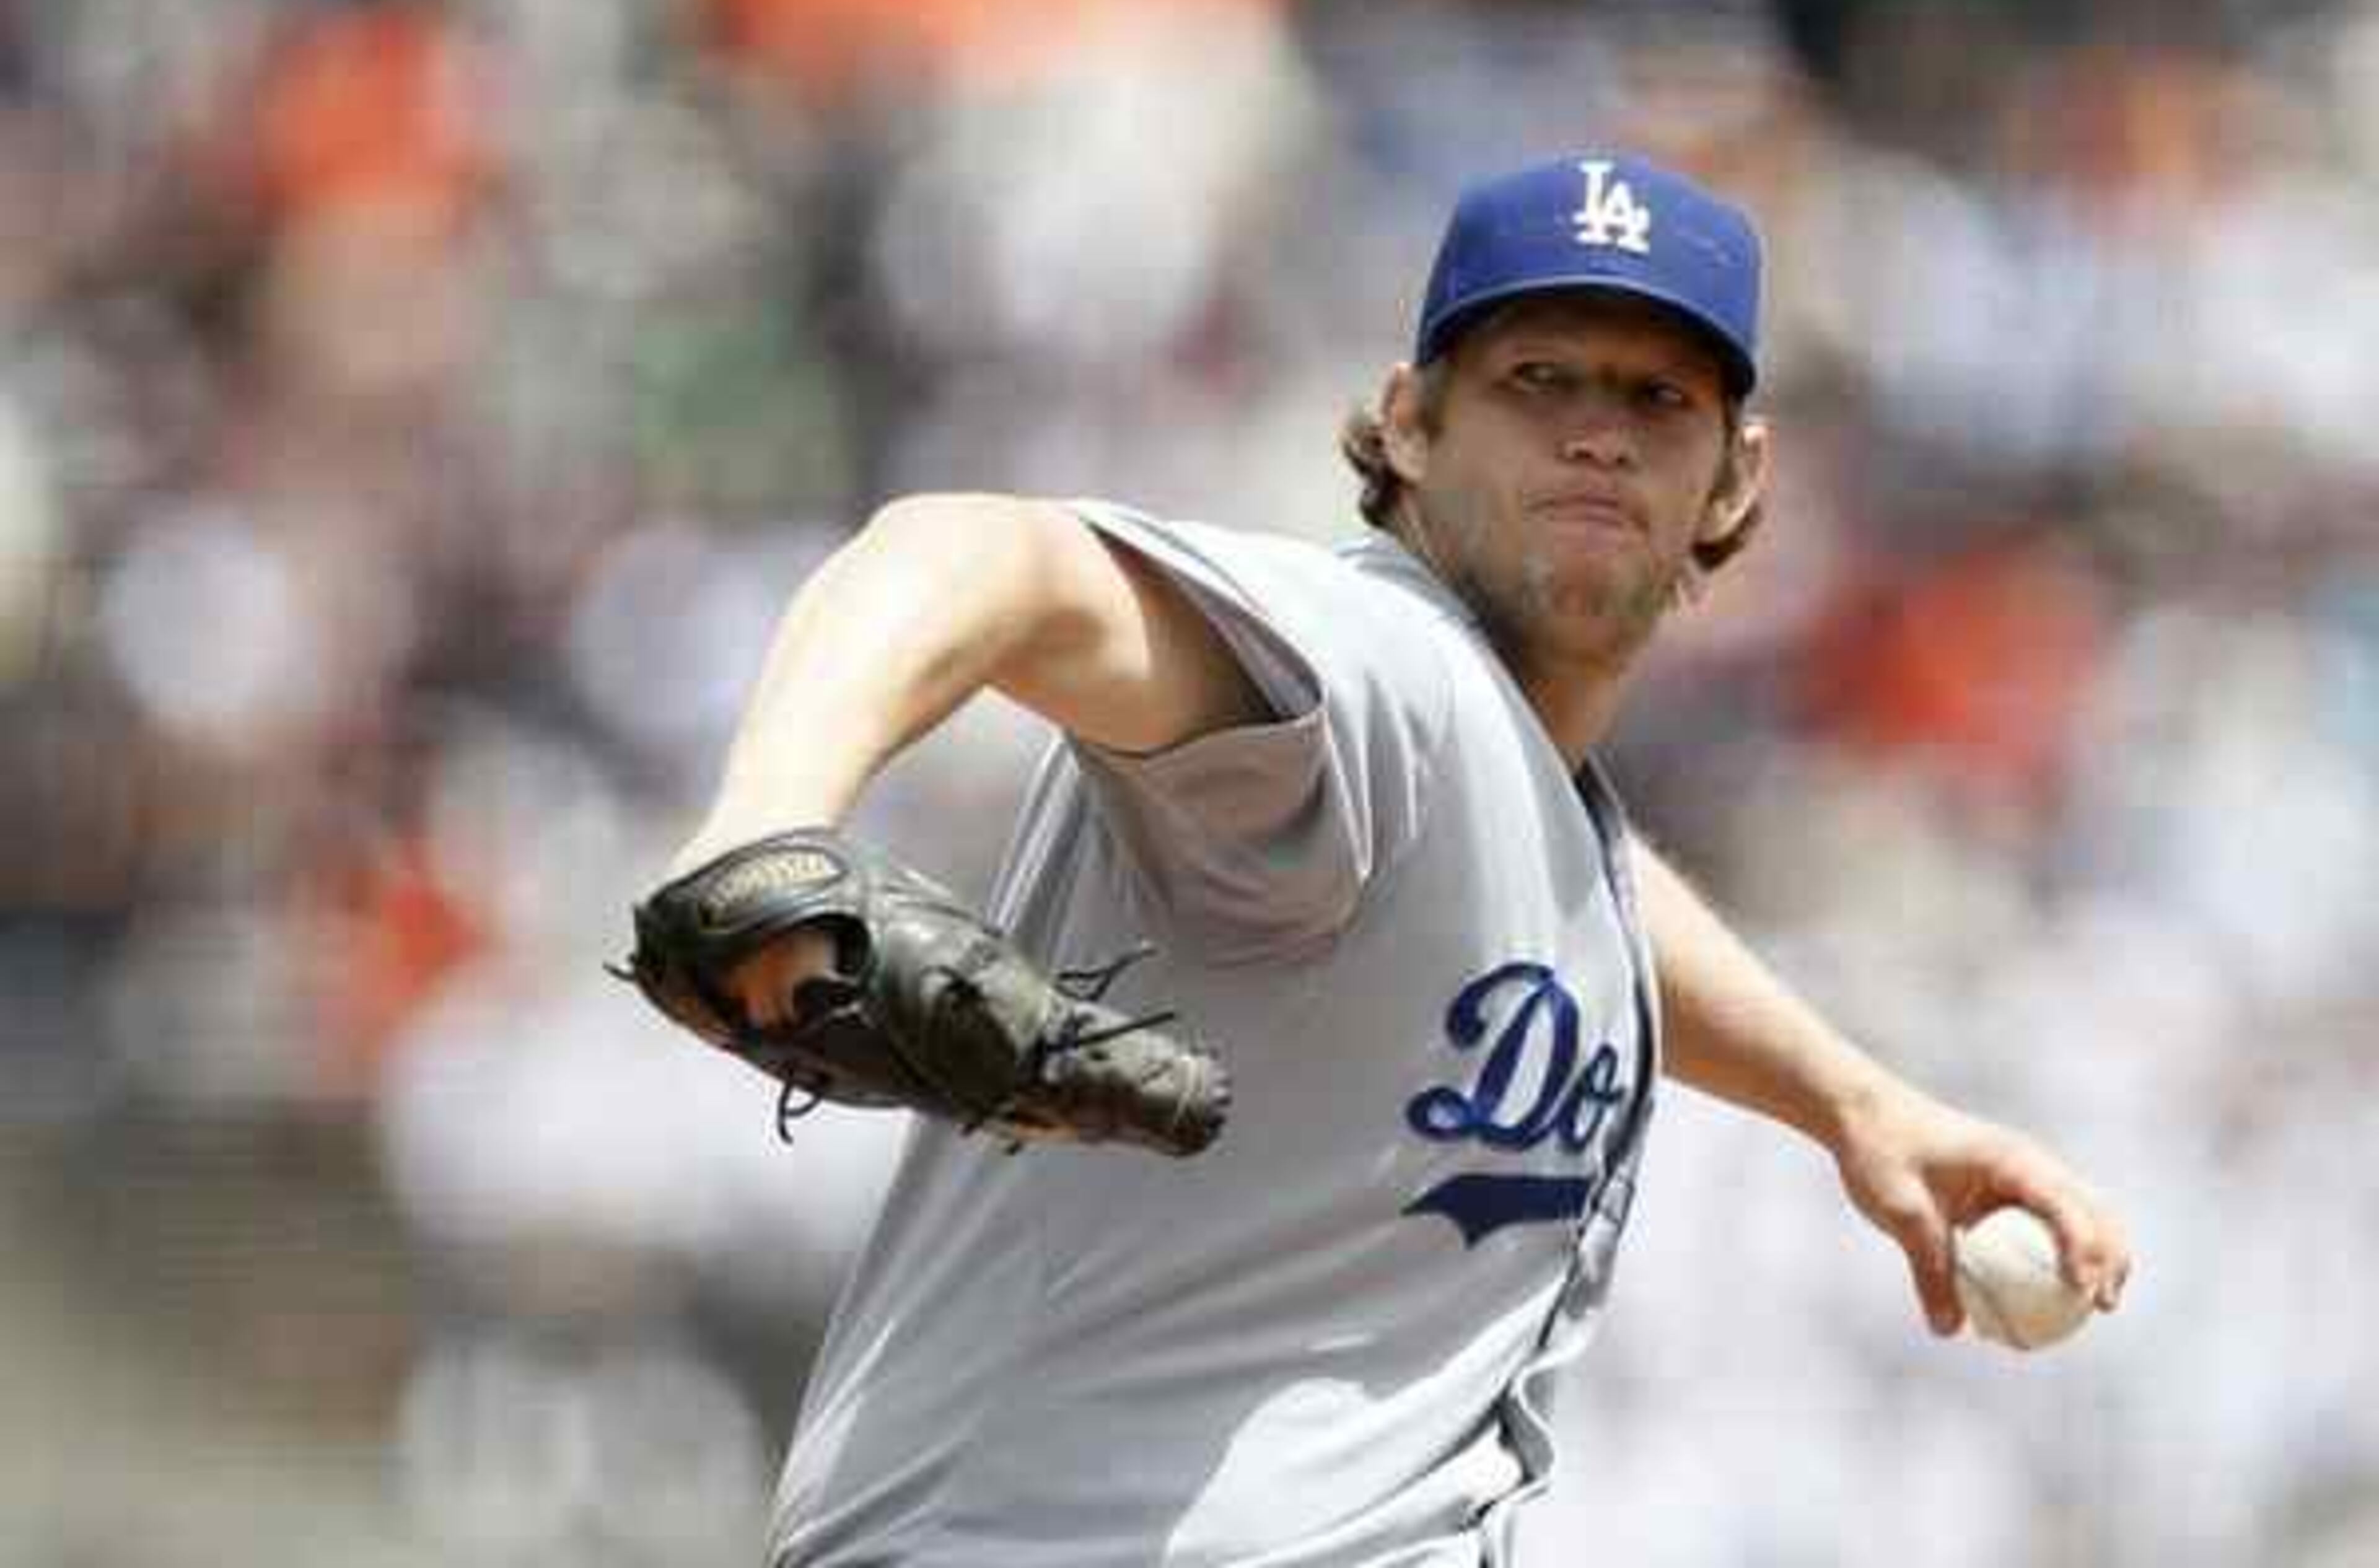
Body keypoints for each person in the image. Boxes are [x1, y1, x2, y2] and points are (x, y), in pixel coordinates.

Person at [652, 152, 2132, 1567]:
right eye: (1537, 380)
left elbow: (1577, 899)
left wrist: (1852, 1100)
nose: (1598, 433)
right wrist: (767, 820)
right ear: (1410, 422)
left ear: (1736, 479)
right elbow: (981, 553)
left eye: (1657, 395)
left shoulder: (1502, 793)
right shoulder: (1375, 667)